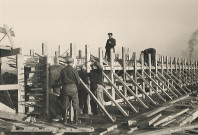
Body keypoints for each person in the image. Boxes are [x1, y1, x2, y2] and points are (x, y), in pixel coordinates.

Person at [60, 57, 80, 124]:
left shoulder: (63, 70)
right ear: (72, 62)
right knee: (75, 104)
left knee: (65, 104)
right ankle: (76, 121)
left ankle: (65, 120)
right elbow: (78, 81)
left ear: (66, 63)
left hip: (65, 87)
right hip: (73, 87)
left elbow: (61, 80)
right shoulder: (74, 70)